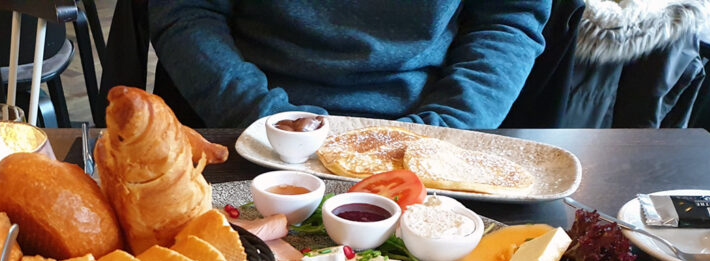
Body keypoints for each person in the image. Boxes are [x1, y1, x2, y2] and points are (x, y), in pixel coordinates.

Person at [147, 0, 553, 129]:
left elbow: (509, 18)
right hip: (251, 124)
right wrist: (268, 119)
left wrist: (447, 132)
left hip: (432, 128)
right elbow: (188, 13)